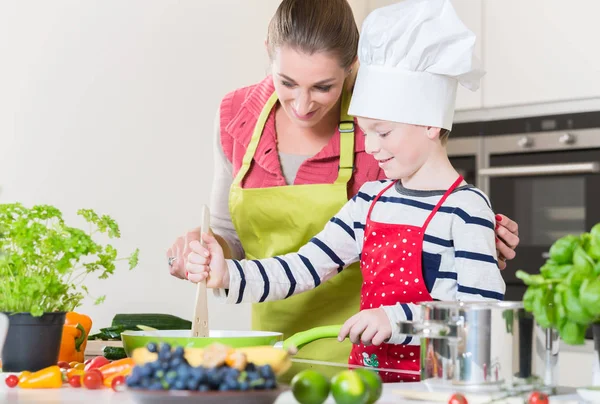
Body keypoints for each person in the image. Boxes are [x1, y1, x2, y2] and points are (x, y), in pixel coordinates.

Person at [167, 0, 519, 381]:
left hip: (434, 386)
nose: (371, 146)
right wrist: (227, 274)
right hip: (364, 381)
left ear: (431, 124)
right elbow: (302, 267)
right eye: (366, 132)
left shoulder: (465, 209)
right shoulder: (370, 201)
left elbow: (479, 310)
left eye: (382, 133)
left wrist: (396, 318)